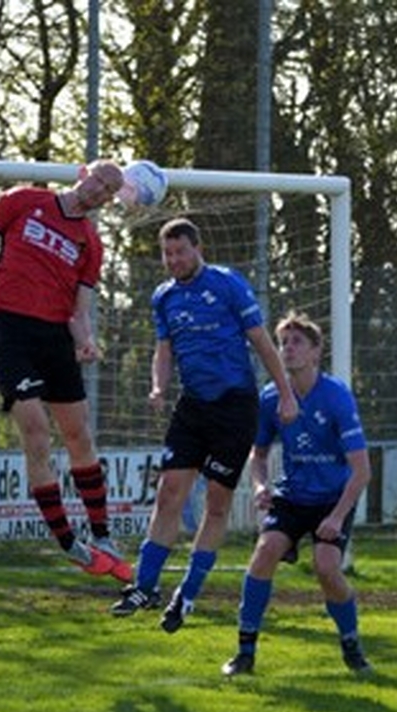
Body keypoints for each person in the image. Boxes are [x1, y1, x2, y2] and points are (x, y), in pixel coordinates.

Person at [0, 159, 130, 581]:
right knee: (36, 433)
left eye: (109, 191)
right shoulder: (24, 201)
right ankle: (67, 541)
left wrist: (86, 340)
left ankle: (101, 535)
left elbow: (79, 312)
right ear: (84, 174)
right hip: (13, 331)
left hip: (56, 339)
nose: (99, 191)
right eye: (99, 180)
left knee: (79, 435)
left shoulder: (91, 244)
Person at [110, 217, 298, 631]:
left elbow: (262, 341)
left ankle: (188, 592)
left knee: (216, 503)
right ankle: (144, 585)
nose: (173, 259)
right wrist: (158, 386)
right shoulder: (164, 297)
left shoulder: (228, 284)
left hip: (235, 407)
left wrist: (284, 393)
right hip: (192, 405)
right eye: (168, 253)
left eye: (180, 251)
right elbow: (164, 350)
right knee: (169, 492)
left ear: (198, 249)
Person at [221, 313, 371, 677]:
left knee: (326, 567)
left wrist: (336, 517)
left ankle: (351, 644)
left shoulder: (336, 397)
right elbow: (257, 455)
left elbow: (362, 470)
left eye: (297, 342)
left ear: (316, 351)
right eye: (282, 342)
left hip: (332, 499)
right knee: (263, 553)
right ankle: (245, 653)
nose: (287, 349)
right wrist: (259, 486)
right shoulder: (271, 398)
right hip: (292, 496)